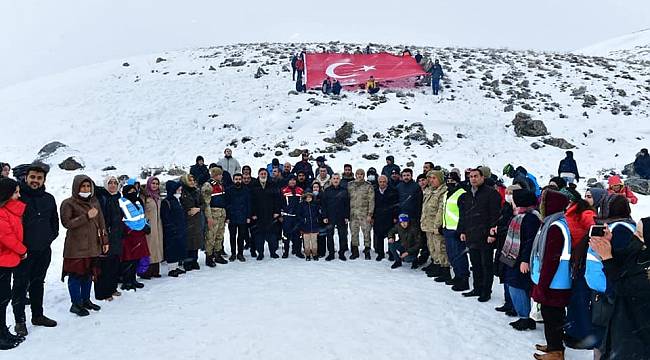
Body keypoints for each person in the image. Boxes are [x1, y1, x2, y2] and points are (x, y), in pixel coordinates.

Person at [590, 217, 650, 360]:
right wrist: (608, 245)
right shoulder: (641, 250)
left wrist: (607, 259)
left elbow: (623, 287)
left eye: (640, 234)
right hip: (624, 322)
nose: (635, 236)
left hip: (639, 331)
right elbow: (626, 260)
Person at [10, 166, 58, 336]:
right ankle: (19, 321)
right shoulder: (17, 198)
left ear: (44, 180)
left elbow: (54, 221)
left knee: (38, 283)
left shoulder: (49, 198)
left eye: (39, 177)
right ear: (26, 177)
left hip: (43, 250)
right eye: (33, 177)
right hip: (23, 252)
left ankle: (38, 315)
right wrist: (20, 246)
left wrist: (50, 237)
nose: (35, 180)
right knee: (20, 285)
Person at [530, 189, 572, 360]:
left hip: (555, 282)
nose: (541, 206)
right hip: (555, 281)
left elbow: (551, 261)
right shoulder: (553, 223)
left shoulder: (555, 227)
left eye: (544, 203)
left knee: (553, 316)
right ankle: (554, 345)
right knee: (551, 315)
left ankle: (557, 351)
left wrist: (542, 286)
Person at [60, 175, 108, 317]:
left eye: (88, 186)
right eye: (83, 186)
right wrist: (86, 216)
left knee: (88, 274)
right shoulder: (68, 203)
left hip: (93, 245)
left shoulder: (94, 202)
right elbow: (67, 223)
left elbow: (101, 222)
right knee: (75, 276)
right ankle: (76, 304)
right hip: (76, 247)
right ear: (76, 187)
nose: (86, 189)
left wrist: (105, 241)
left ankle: (86, 300)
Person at [561, 188, 600, 350]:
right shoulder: (571, 211)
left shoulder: (585, 213)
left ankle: (584, 336)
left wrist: (583, 250)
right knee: (575, 297)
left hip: (584, 261)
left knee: (581, 298)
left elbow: (595, 233)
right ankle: (573, 331)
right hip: (576, 261)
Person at [499, 189, 541, 331]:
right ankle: (523, 316)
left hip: (520, 260)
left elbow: (530, 241)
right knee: (514, 285)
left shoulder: (530, 218)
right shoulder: (520, 216)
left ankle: (525, 318)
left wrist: (525, 260)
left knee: (518, 286)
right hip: (514, 257)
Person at [457, 168, 502, 302]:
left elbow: (495, 215)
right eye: (471, 177)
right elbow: (463, 215)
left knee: (486, 265)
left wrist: (491, 233)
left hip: (485, 235)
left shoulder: (491, 194)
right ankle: (477, 288)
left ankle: (486, 291)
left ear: (482, 177)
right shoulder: (467, 194)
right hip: (471, 234)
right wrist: (462, 231)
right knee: (475, 264)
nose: (473, 179)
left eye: (476, 176)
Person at [0, 178, 28, 349]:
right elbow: (7, 236)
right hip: (2, 260)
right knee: (1, 298)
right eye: (16, 192)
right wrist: (22, 250)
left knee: (3, 298)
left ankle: (3, 331)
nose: (19, 195)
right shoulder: (2, 212)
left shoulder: (10, 210)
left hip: (8, 259)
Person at [94, 176, 124, 301]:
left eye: (115, 183)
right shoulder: (102, 198)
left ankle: (112, 288)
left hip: (117, 235)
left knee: (114, 263)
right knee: (104, 265)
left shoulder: (119, 198)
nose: (112, 185)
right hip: (106, 235)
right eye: (110, 183)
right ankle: (102, 292)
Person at [118, 185, 151, 291]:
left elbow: (142, 215)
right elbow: (119, 218)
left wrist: (146, 225)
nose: (132, 193)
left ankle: (133, 279)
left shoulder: (138, 202)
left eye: (134, 191)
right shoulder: (121, 202)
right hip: (129, 234)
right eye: (129, 191)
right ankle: (126, 281)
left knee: (137, 258)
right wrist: (124, 229)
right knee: (128, 259)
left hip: (139, 233)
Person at [493, 184, 519, 316]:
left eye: (510, 193)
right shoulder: (506, 207)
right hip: (502, 244)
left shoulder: (519, 211)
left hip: (512, 246)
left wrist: (499, 230)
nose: (507, 194)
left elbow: (512, 228)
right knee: (503, 273)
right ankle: (508, 302)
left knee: (510, 276)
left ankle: (514, 305)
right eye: (507, 192)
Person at [442, 171, 470, 291]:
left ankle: (464, 279)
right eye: (447, 181)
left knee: (460, 255)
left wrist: (462, 229)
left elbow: (464, 214)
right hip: (447, 228)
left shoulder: (462, 194)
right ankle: (457, 275)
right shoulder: (447, 193)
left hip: (457, 230)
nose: (450, 183)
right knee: (452, 255)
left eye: (452, 181)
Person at [421, 170, 450, 280]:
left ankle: (445, 269)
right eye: (430, 178)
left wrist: (437, 226)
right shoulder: (429, 190)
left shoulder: (443, 191)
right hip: (428, 224)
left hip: (436, 226)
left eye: (434, 178)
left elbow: (440, 210)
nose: (431, 180)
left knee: (440, 248)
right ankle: (436, 264)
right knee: (432, 247)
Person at [250, 169, 281, 260]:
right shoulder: (254, 185)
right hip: (258, 215)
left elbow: (277, 199)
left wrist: (277, 211)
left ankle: (273, 252)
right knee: (259, 236)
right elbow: (251, 201)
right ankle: (260, 253)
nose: (263, 175)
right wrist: (253, 213)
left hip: (270, 214)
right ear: (258, 174)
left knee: (272, 235)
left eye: (265, 174)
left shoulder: (272, 184)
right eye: (261, 174)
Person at [201, 167, 228, 267]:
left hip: (221, 213)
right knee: (210, 236)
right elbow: (206, 203)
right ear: (213, 175)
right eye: (218, 174)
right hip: (213, 213)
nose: (220, 176)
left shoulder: (220, 184)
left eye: (221, 174)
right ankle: (209, 256)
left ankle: (217, 254)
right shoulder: (208, 185)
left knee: (219, 235)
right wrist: (209, 217)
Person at [160, 181, 187, 277]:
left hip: (179, 229)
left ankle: (176, 267)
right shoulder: (166, 201)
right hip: (171, 231)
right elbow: (166, 217)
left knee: (178, 248)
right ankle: (171, 269)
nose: (180, 189)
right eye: (178, 188)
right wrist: (171, 228)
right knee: (172, 249)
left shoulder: (177, 200)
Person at [321, 174, 350, 261]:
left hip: (341, 216)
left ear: (340, 180)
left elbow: (347, 205)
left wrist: (346, 216)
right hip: (330, 216)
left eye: (337, 178)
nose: (336, 180)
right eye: (334, 178)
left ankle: (341, 253)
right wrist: (324, 216)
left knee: (343, 235)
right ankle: (331, 253)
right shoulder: (327, 190)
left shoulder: (344, 191)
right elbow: (323, 205)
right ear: (331, 180)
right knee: (330, 235)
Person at [139, 177, 164, 279]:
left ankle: (155, 270)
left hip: (158, 225)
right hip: (148, 226)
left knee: (157, 247)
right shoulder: (144, 197)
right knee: (149, 247)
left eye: (156, 184)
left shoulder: (157, 197)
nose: (155, 185)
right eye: (153, 183)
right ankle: (146, 271)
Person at [347, 169, 375, 260]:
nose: (359, 176)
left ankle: (367, 250)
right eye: (358, 174)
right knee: (354, 233)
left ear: (364, 175)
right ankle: (355, 251)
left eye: (361, 174)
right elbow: (346, 199)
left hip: (364, 214)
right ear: (355, 175)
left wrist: (370, 214)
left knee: (366, 233)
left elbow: (371, 201)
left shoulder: (368, 186)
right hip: (353, 214)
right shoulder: (350, 185)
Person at [179, 174, 202, 271]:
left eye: (193, 180)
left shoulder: (197, 192)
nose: (192, 182)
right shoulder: (181, 193)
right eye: (190, 180)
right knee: (188, 241)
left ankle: (194, 260)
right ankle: (187, 261)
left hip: (196, 219)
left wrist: (198, 209)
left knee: (195, 240)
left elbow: (203, 203)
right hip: (186, 219)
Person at [226, 173, 250, 262]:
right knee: (232, 236)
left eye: (240, 179)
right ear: (233, 180)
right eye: (236, 179)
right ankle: (233, 253)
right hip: (232, 217)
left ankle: (240, 253)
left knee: (241, 236)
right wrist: (227, 217)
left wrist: (248, 216)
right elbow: (227, 204)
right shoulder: (229, 190)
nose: (238, 181)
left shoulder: (246, 190)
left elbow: (248, 204)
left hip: (243, 216)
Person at [280, 175, 305, 258]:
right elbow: (280, 203)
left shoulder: (300, 190)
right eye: (290, 180)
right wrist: (282, 213)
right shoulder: (283, 190)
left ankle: (298, 251)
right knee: (286, 235)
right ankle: (285, 252)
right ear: (288, 181)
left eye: (294, 180)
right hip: (287, 217)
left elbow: (303, 203)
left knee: (298, 235)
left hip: (297, 217)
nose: (292, 182)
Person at [298, 192, 321, 261]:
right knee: (306, 242)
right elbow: (299, 215)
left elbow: (318, 214)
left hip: (314, 226)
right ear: (305, 198)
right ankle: (307, 254)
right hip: (305, 227)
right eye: (307, 197)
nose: (308, 198)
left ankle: (315, 254)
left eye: (310, 197)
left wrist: (317, 220)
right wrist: (303, 221)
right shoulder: (302, 205)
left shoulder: (315, 205)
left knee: (314, 242)